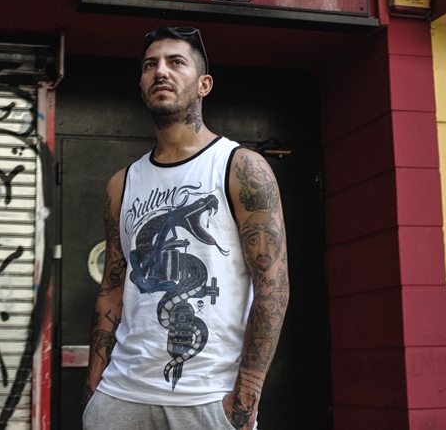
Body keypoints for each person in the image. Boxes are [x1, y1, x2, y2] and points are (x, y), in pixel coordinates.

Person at [82, 26, 290, 430]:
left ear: (204, 84)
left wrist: (245, 397)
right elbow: (112, 288)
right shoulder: (121, 184)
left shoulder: (241, 168)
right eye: (150, 65)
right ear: (142, 85)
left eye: (176, 62)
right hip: (120, 396)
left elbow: (273, 285)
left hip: (209, 401)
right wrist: (94, 386)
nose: (161, 71)